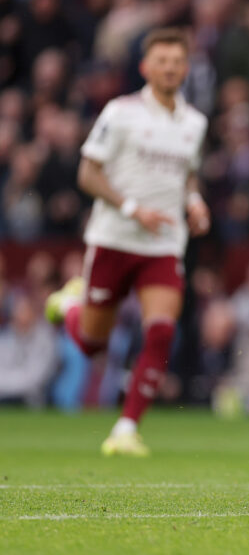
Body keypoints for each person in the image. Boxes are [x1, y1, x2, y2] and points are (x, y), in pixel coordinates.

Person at [46, 28, 210, 456]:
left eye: (177, 61)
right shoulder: (120, 112)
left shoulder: (195, 123)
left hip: (163, 244)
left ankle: (125, 428)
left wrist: (194, 201)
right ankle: (68, 305)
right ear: (146, 67)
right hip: (114, 238)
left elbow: (188, 175)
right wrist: (132, 206)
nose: (171, 67)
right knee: (92, 342)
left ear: (185, 68)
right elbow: (88, 174)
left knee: (160, 331)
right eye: (163, 60)